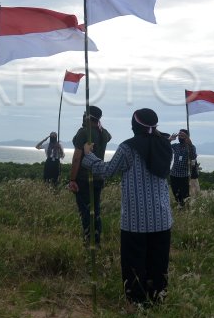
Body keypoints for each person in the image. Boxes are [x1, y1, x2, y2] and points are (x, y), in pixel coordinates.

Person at [81, 108, 174, 305]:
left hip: (135, 220)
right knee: (158, 263)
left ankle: (136, 302)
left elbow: (106, 171)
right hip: (162, 218)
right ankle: (158, 298)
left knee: (134, 263)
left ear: (135, 125)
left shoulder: (127, 148)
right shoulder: (165, 146)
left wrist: (88, 156)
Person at [68, 106, 111, 246]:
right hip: (98, 177)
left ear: (87, 117)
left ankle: (90, 241)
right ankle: (96, 239)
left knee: (86, 211)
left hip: (83, 178)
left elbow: (76, 158)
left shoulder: (83, 133)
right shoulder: (103, 133)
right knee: (95, 210)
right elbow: (108, 136)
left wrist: (72, 179)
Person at [169, 129, 197, 208]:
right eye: (179, 135)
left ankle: (184, 207)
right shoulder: (176, 146)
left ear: (187, 137)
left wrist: (190, 144)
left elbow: (193, 157)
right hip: (173, 174)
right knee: (175, 193)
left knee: (184, 195)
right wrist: (170, 139)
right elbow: (164, 146)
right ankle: (180, 205)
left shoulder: (191, 147)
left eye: (182, 136)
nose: (180, 137)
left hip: (184, 175)